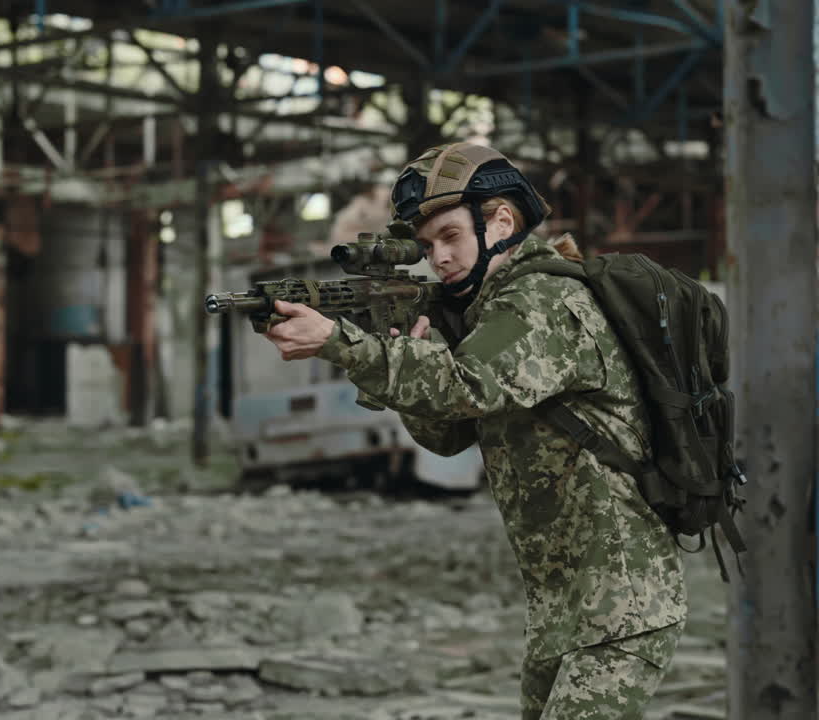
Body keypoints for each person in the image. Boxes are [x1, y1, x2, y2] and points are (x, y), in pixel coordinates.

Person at [264, 142, 686, 719]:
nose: (438, 258)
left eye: (450, 236)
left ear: (502, 223)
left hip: (621, 604)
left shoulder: (543, 300)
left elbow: (467, 387)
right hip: (563, 608)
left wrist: (341, 343)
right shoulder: (490, 312)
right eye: (426, 246)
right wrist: (396, 355)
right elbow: (448, 435)